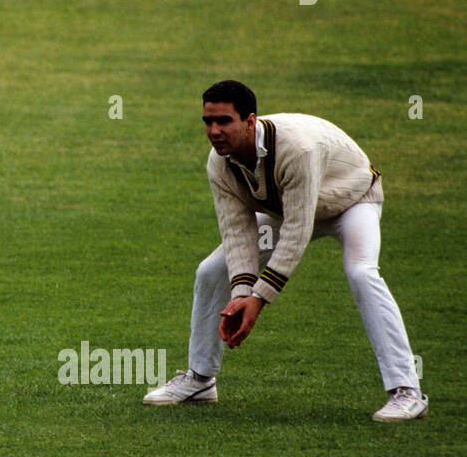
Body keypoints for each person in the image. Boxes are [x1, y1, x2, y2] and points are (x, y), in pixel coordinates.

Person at [144, 80, 424, 421]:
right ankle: (200, 379)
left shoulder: (297, 149)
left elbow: (297, 231)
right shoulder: (220, 163)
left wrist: (258, 299)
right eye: (208, 121)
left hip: (351, 202)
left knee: (361, 272)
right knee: (210, 270)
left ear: (250, 121)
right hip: (289, 211)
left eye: (224, 121)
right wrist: (241, 293)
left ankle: (407, 390)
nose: (214, 131)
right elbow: (237, 230)